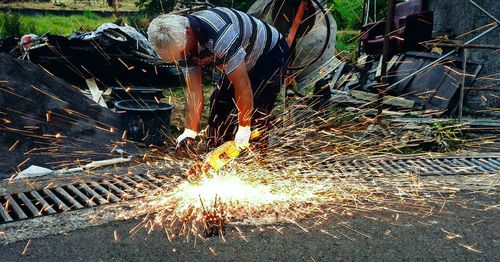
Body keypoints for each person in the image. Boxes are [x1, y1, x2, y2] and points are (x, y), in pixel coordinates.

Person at [147, 7, 290, 152]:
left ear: (188, 32)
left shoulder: (218, 33)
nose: (182, 57)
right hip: (240, 60)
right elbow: (194, 92)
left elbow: (242, 84)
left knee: (256, 113)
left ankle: (255, 161)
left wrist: (244, 127)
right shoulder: (181, 44)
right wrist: (190, 131)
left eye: (182, 52)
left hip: (270, 53)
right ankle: (216, 157)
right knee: (219, 107)